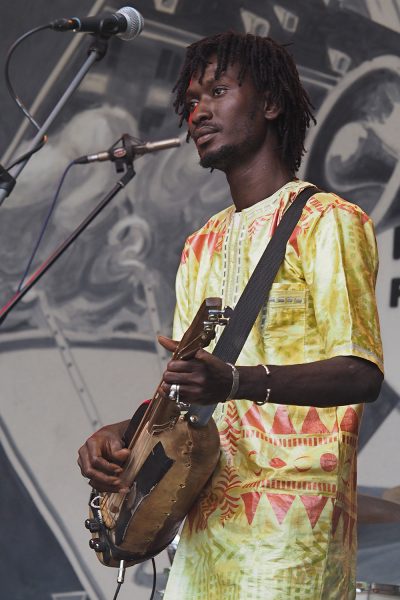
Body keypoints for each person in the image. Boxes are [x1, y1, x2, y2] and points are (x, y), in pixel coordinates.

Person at [78, 32, 384, 599]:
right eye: (191, 100)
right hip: (202, 524)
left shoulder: (330, 222)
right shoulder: (200, 244)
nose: (198, 111)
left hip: (291, 527)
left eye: (218, 91)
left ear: (269, 103)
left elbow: (361, 372)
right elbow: (187, 388)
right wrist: (125, 432)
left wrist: (240, 380)